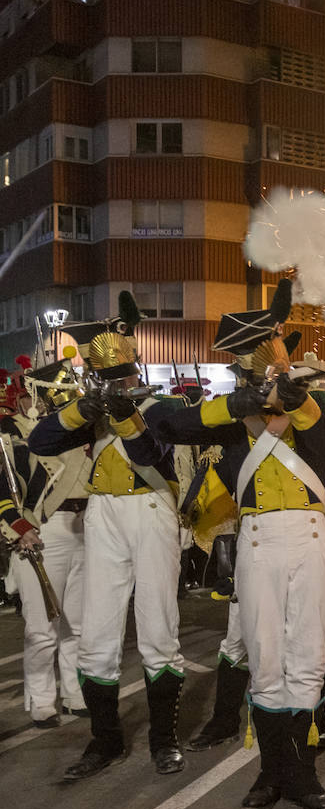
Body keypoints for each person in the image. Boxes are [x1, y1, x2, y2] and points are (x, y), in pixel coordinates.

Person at [156, 282, 325, 809]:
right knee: (264, 660)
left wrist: (297, 398)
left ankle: (301, 775)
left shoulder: (312, 405)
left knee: (308, 656)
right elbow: (170, 422)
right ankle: (270, 772)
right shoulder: (234, 414)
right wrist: (239, 403)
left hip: (308, 535)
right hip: (257, 539)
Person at [29, 294, 188, 780]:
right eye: (109, 377)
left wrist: (121, 410)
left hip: (149, 509)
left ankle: (163, 740)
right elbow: (40, 442)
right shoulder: (91, 410)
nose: (120, 381)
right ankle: (105, 742)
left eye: (124, 373)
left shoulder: (165, 405)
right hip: (103, 516)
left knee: (158, 628)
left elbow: (146, 453)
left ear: (136, 365)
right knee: (97, 635)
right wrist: (87, 408)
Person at [0, 358, 90, 729]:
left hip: (85, 527)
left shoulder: (83, 430)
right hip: (42, 529)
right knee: (42, 627)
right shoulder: (14, 434)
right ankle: (41, 698)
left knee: (79, 624)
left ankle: (74, 691)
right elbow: (5, 488)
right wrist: (19, 527)